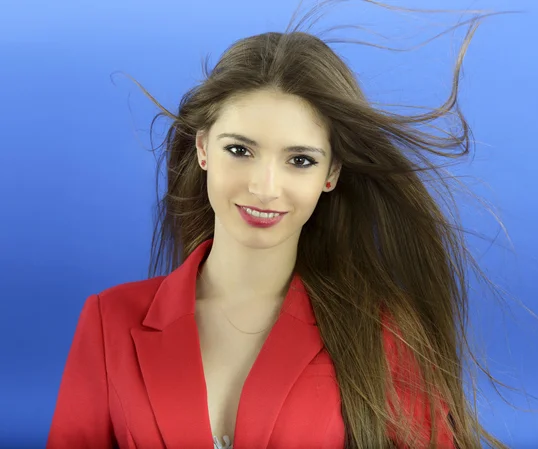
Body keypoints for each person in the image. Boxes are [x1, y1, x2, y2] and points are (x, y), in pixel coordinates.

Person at [47, 2, 511, 448]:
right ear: (203, 147)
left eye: (300, 160)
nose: (265, 188)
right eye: (240, 150)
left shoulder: (383, 330)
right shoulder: (108, 321)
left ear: (331, 175)